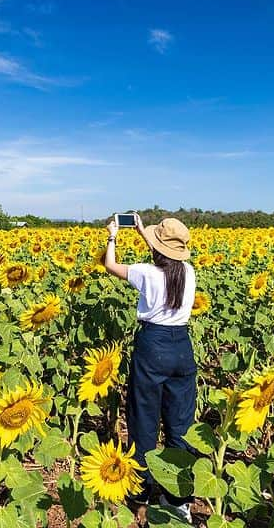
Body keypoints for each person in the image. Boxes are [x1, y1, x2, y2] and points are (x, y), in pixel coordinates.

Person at [103, 213, 196, 522]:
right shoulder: (189, 271)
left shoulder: (145, 272)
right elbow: (167, 257)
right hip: (182, 347)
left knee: (144, 417)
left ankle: (141, 488)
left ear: (157, 248)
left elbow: (110, 265)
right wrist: (146, 233)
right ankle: (178, 497)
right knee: (180, 422)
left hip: (153, 346)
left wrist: (113, 236)